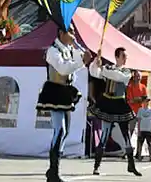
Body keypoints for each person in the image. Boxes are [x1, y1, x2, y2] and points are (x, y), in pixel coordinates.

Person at [36, 27, 90, 182]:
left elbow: (78, 63)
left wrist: (86, 58)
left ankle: (53, 170)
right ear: (61, 33)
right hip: (54, 91)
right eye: (70, 32)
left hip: (65, 91)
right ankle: (53, 170)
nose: (73, 36)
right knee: (60, 130)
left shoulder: (68, 49)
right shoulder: (52, 51)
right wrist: (81, 60)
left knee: (65, 132)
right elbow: (63, 68)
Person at [88, 47, 142, 177]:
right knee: (104, 135)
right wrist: (96, 61)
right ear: (117, 57)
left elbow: (118, 77)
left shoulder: (126, 72)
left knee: (126, 135)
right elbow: (94, 72)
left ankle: (131, 165)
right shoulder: (109, 68)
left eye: (125, 56)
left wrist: (104, 70)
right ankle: (97, 166)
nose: (125, 58)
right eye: (123, 56)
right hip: (108, 103)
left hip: (120, 103)